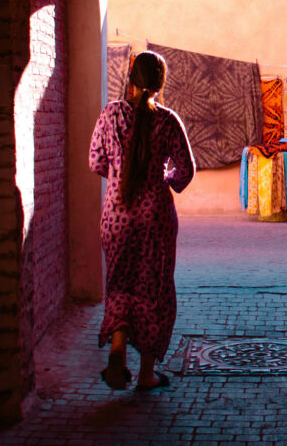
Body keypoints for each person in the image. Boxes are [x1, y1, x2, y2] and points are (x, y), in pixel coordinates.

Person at [89, 50, 195, 390]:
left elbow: (95, 162)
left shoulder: (109, 115)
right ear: (160, 83)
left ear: (131, 78)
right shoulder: (167, 120)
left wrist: (120, 175)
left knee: (119, 284)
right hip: (155, 219)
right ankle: (146, 375)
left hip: (116, 216)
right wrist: (165, 182)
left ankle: (118, 346)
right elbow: (186, 170)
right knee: (154, 291)